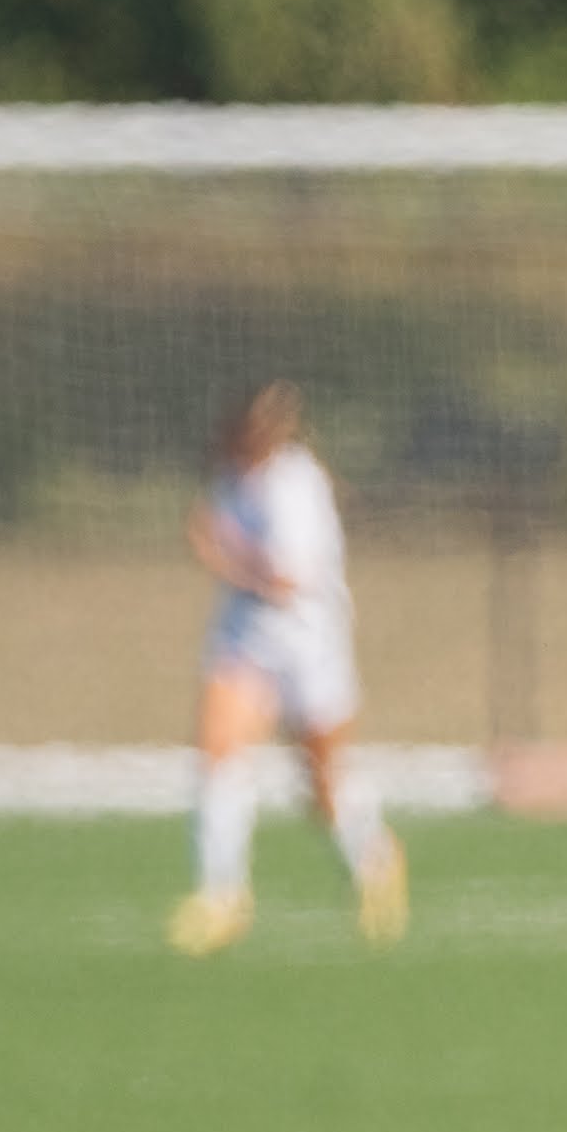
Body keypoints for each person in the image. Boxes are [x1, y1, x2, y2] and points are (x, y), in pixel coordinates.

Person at [170, 383, 400, 954]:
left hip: (309, 644)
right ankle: (222, 895)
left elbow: (286, 580)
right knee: (219, 753)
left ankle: (375, 861)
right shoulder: (231, 480)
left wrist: (221, 552)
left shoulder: (296, 486)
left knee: (321, 784)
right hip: (246, 641)